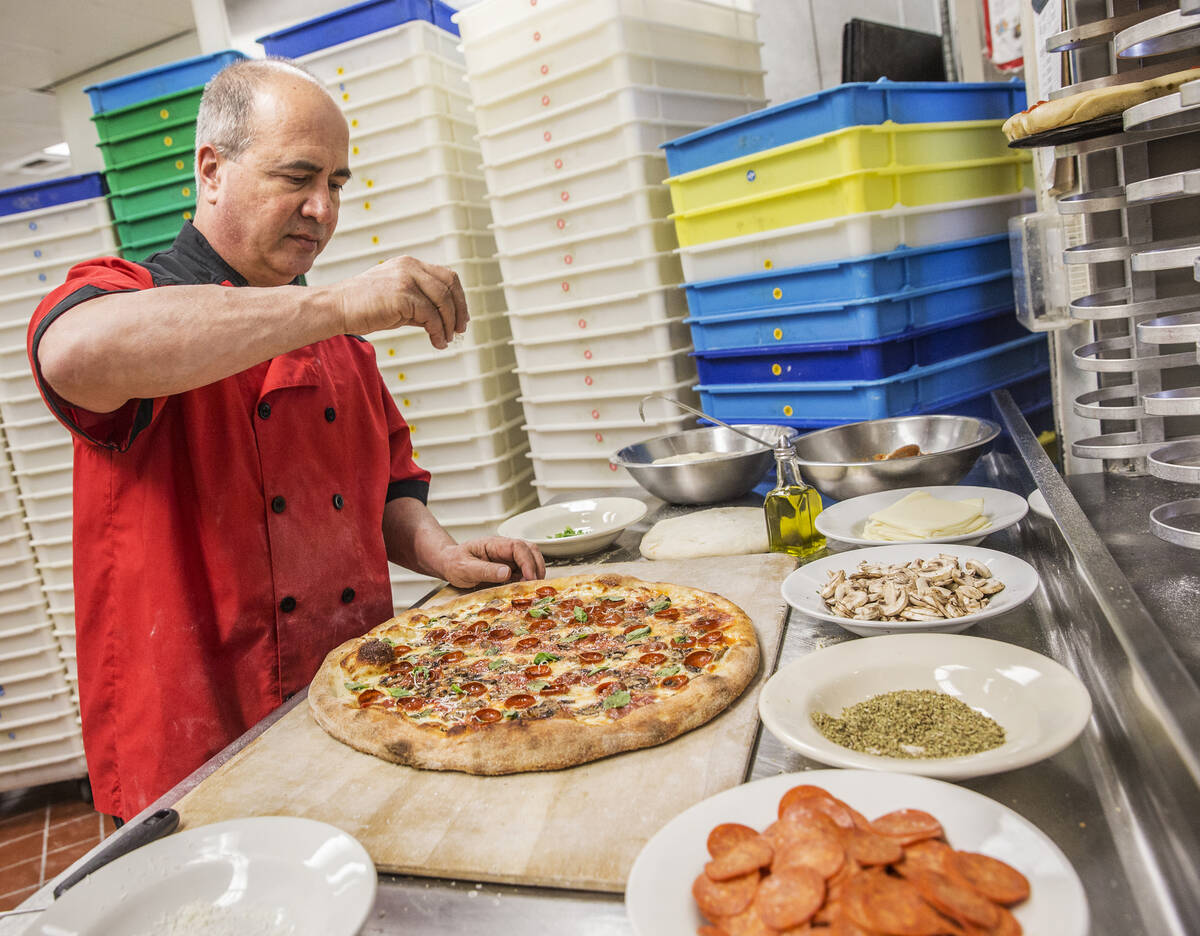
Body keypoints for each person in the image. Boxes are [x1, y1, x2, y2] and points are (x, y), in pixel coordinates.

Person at [26, 59, 544, 821]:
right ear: (211, 169)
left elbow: (385, 490)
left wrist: (442, 553)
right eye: (297, 175)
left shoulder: (342, 345)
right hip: (193, 746)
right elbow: (72, 353)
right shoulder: (133, 298)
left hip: (349, 693)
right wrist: (337, 303)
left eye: (335, 183)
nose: (321, 209)